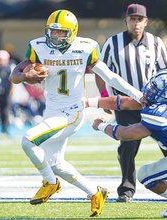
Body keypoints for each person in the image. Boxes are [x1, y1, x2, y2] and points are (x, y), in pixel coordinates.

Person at [9, 9, 144, 217]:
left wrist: (137, 93)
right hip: (52, 111)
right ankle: (95, 192)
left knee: (28, 141)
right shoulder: (38, 46)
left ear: (72, 32)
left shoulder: (85, 48)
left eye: (60, 33)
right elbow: (13, 75)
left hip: (72, 111)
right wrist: (26, 75)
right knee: (55, 164)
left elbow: (111, 77)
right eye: (52, 32)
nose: (55, 37)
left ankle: (50, 183)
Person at [95, 3, 167, 202]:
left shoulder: (156, 43)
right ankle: (126, 189)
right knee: (127, 145)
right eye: (132, 19)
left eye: (139, 20)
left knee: (166, 145)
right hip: (126, 104)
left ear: (146, 22)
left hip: (154, 105)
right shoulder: (112, 43)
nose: (136, 23)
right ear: (126, 21)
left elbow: (164, 73)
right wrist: (104, 98)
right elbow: (101, 73)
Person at [90, 69, 167, 217]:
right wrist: (91, 102)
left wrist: (100, 126)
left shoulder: (159, 114)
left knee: (146, 175)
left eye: (155, 88)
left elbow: (125, 134)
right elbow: (124, 103)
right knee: (148, 172)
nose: (150, 89)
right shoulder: (158, 106)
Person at [0, 50, 16, 135]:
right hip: (1, 91)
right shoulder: (0, 68)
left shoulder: (9, 67)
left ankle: (6, 129)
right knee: (1, 109)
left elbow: (12, 80)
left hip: (7, 92)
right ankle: (3, 128)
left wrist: (11, 90)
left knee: (6, 110)